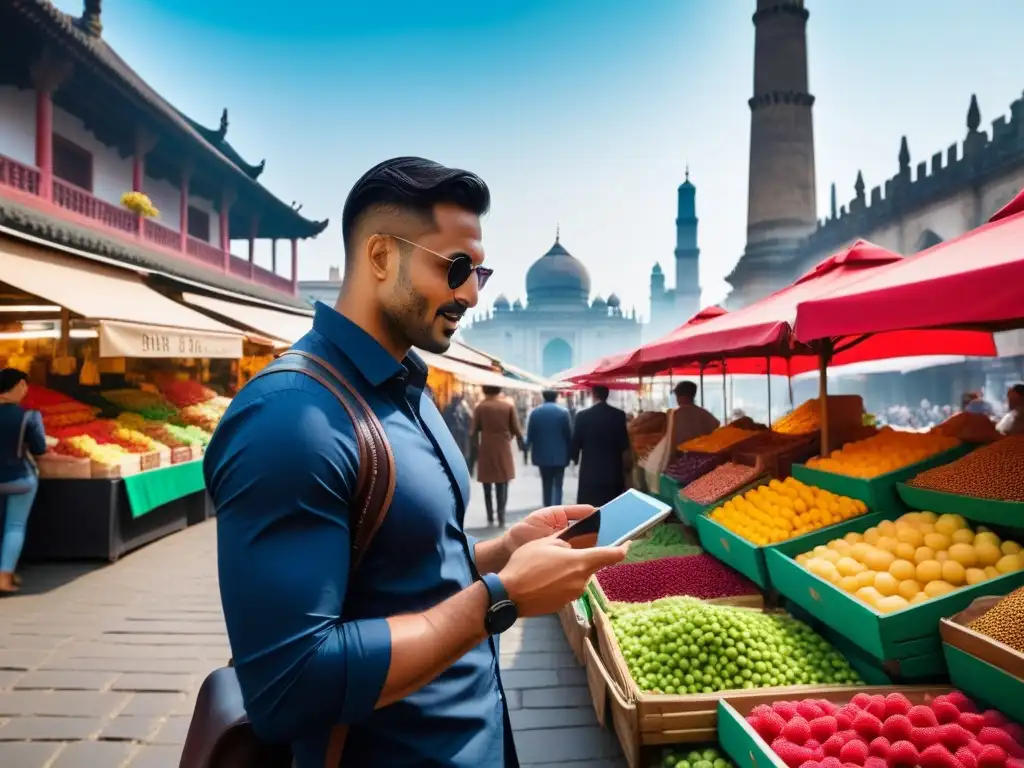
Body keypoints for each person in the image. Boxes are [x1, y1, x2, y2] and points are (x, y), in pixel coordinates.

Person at [204, 156, 626, 768]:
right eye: (455, 268)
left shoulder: (404, 389)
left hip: (471, 732)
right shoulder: (292, 419)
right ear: (380, 257)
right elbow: (290, 684)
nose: (472, 293)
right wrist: (502, 598)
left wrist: (502, 551)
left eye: (480, 270)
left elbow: (403, 571)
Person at [0, 368, 47, 594]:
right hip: (20, 479)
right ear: (19, 385)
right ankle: (4, 576)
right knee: (14, 526)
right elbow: (40, 448)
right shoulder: (29, 416)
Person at [571, 385, 631, 507]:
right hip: (613, 470)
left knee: (589, 508)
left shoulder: (582, 416)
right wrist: (627, 468)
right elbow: (624, 444)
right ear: (607, 395)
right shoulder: (619, 415)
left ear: (593, 395)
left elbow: (576, 442)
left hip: (590, 471)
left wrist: (574, 459)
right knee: (612, 506)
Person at [471, 385, 523, 526]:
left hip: (486, 448)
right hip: (503, 448)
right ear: (499, 390)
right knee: (503, 482)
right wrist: (512, 437)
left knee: (487, 485)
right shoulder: (507, 407)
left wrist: (475, 450)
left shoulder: (480, 407)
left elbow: (474, 430)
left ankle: (490, 515)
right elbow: (516, 429)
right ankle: (501, 516)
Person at [524, 390, 572, 507]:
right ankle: (557, 508)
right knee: (558, 484)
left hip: (542, 455)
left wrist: (526, 449)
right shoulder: (563, 413)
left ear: (543, 397)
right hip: (560, 455)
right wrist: (571, 454)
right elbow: (568, 435)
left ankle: (547, 507)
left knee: (546, 483)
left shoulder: (535, 413)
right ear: (556, 398)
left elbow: (530, 434)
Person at [670, 380, 720, 448]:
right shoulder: (703, 413)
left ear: (681, 397)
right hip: (701, 454)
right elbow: (716, 425)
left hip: (681, 454)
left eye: (677, 396)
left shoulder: (674, 415)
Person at [442, 391, 474, 472]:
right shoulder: (463, 408)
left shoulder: (453, 408)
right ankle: (464, 469)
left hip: (456, 433)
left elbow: (444, 420)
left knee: (460, 452)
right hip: (457, 433)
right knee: (462, 452)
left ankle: (460, 469)